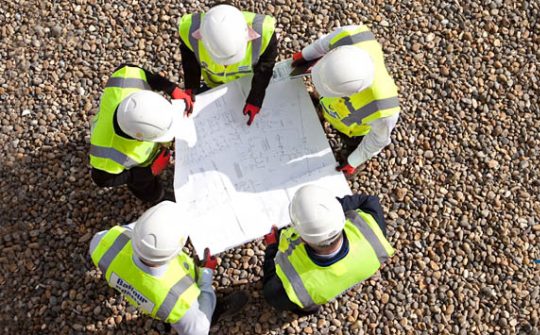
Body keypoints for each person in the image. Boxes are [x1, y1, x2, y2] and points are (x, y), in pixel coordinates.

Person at [89, 201, 248, 334]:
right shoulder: (184, 304)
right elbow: (198, 331)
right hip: (184, 311)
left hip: (146, 294)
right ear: (177, 250)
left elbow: (141, 231)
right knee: (204, 312)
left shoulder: (101, 243)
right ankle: (216, 311)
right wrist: (206, 274)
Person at [261, 185, 394, 315]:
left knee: (301, 304)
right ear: (341, 217)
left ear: (302, 238)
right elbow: (369, 200)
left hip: (307, 296)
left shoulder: (293, 289)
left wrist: (272, 247)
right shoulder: (374, 236)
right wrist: (325, 215)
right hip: (354, 272)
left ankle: (308, 309)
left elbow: (271, 293)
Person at [291, 25, 400, 177]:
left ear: (352, 92)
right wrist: (305, 55)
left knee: (352, 153)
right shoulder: (352, 35)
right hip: (330, 105)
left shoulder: (383, 110)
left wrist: (353, 161)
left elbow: (377, 140)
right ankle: (321, 110)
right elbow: (322, 45)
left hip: (353, 130)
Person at [89, 64, 195, 203]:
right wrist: (147, 172)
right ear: (139, 139)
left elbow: (137, 71)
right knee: (143, 186)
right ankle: (158, 198)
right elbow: (102, 180)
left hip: (116, 122)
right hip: (138, 166)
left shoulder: (125, 80)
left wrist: (171, 88)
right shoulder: (107, 156)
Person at [178, 4, 278, 126]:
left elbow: (265, 67)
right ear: (200, 36)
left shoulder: (265, 32)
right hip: (214, 84)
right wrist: (191, 87)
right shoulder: (188, 31)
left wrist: (255, 98)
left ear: (248, 35)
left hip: (246, 85)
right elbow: (189, 59)